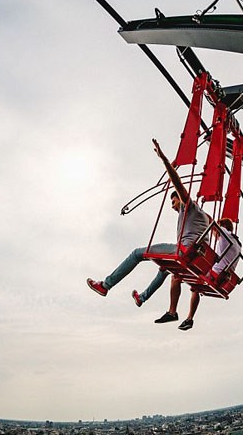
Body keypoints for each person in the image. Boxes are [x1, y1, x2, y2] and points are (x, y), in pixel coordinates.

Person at [87, 139, 211, 331]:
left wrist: (164, 159)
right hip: (193, 256)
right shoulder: (203, 216)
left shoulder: (189, 206)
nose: (172, 206)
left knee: (137, 253)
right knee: (164, 269)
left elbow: (177, 182)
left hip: (185, 251)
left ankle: (106, 285)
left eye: (173, 202)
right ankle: (143, 297)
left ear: (180, 198)